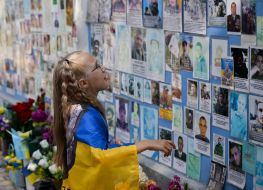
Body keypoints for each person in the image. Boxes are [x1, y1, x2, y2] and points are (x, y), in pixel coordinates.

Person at [53, 51, 176, 189]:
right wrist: (145, 144)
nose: (103, 68)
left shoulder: (77, 109)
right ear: (83, 83)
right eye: (97, 66)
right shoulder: (87, 116)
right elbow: (102, 157)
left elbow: (97, 151)